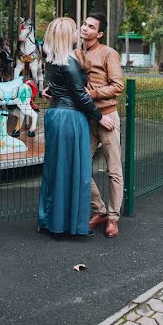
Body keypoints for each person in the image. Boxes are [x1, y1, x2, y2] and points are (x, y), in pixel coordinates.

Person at [37, 17, 116, 237]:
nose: (78, 32)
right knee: (75, 170)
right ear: (66, 36)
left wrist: (49, 91)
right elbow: (79, 94)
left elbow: (59, 86)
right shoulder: (69, 62)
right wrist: (99, 117)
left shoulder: (52, 59)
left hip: (55, 114)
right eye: (74, 30)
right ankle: (68, 224)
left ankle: (51, 220)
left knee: (56, 169)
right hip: (70, 117)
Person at [77, 13, 125, 238]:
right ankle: (101, 211)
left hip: (108, 118)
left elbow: (118, 86)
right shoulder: (76, 54)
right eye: (84, 24)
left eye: (90, 26)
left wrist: (94, 93)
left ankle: (113, 218)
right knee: (81, 167)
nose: (85, 28)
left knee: (113, 170)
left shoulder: (108, 53)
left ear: (100, 33)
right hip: (88, 117)